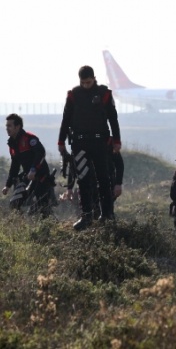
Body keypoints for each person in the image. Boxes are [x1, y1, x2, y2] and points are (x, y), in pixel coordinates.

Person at [58, 65, 121, 230]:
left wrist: (117, 140)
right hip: (80, 143)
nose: (86, 85)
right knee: (83, 180)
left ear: (94, 78)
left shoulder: (104, 94)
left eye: (89, 82)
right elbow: (66, 119)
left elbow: (113, 118)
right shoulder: (73, 95)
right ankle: (86, 217)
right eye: (83, 82)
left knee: (103, 179)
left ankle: (107, 214)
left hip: (100, 142)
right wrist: (61, 141)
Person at [2, 114, 55, 217]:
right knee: (15, 202)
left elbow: (41, 152)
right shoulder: (12, 144)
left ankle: (51, 228)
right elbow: (14, 166)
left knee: (42, 208)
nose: (7, 129)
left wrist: (33, 169)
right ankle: (19, 226)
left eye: (9, 126)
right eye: (6, 126)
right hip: (27, 177)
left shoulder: (29, 138)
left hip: (41, 176)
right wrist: (7, 186)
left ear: (17, 127)